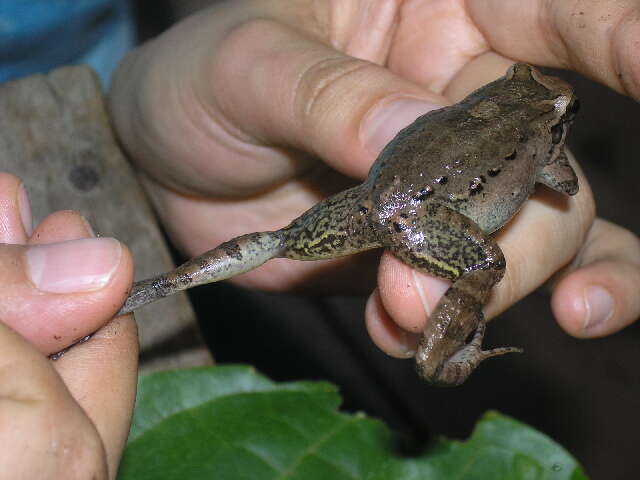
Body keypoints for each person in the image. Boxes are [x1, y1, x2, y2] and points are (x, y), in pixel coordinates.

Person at [2, 1, 639, 477]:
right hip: (408, 211)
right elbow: (567, 187)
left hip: (367, 206)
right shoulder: (547, 135)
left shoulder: (491, 101)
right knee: (489, 261)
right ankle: (437, 360)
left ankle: (163, 285)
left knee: (279, 240)